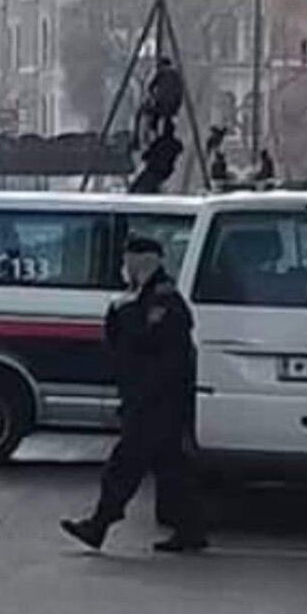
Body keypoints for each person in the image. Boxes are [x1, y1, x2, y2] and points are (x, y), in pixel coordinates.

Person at [61, 235, 207, 554]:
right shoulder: (139, 299)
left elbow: (147, 348)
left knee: (125, 463)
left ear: (143, 261)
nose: (124, 266)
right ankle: (191, 529)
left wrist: (122, 313)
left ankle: (99, 524)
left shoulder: (162, 301)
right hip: (151, 398)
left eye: (129, 259)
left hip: (155, 400)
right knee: (171, 466)